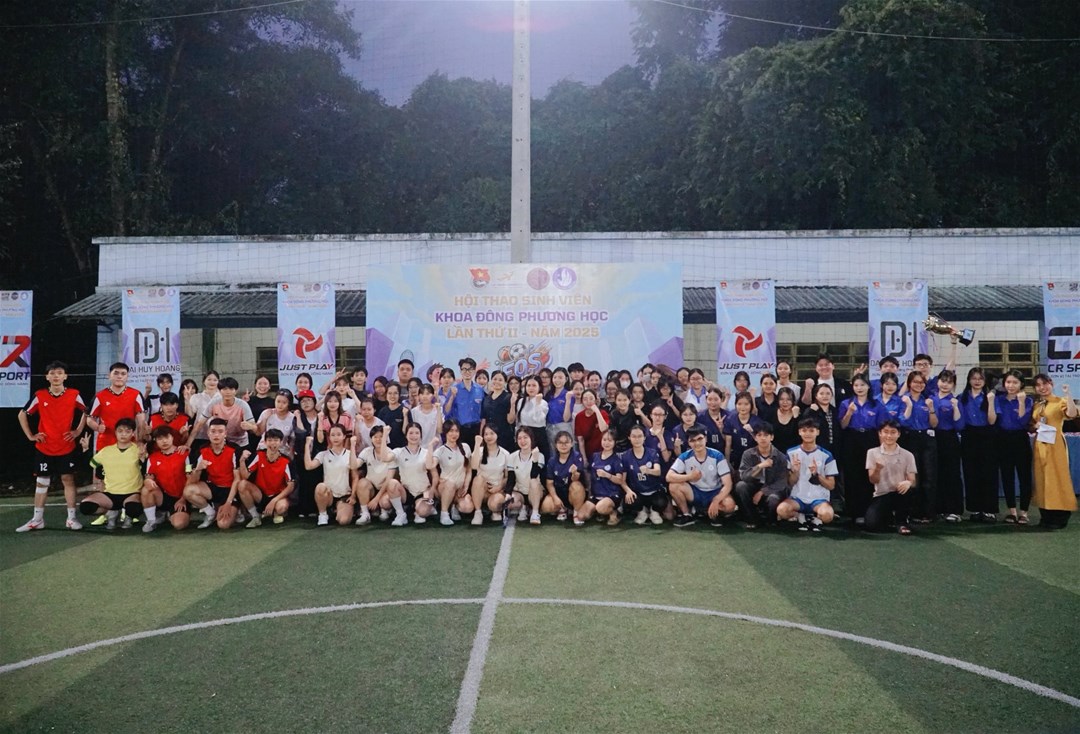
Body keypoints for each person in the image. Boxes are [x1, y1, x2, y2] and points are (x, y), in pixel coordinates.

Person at [16, 361, 87, 532]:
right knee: (42, 482)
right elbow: (22, 414)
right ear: (47, 377)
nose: (56, 376)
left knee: (68, 480)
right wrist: (31, 436)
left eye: (59, 373)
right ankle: (37, 519)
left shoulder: (74, 394)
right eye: (52, 373)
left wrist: (78, 431)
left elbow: (87, 412)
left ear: (65, 376)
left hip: (66, 446)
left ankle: (71, 519)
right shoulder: (40, 395)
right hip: (45, 447)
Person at [80, 417, 145, 530]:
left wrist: (143, 459)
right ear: (115, 433)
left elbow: (147, 470)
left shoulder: (139, 450)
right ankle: (111, 512)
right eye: (120, 431)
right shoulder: (106, 451)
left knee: (134, 509)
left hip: (131, 493)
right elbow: (90, 465)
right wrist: (85, 449)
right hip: (110, 494)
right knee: (85, 507)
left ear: (133, 433)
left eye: (127, 431)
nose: (123, 434)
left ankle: (129, 516)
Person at [1031, 375, 1077, 530]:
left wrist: (1068, 395)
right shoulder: (1037, 405)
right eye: (1038, 385)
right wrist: (1035, 426)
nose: (1042, 387)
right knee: (1042, 479)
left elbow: (1072, 414)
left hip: (1055, 445)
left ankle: (1061, 515)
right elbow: (1032, 423)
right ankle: (1046, 515)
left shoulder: (1060, 401)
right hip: (1040, 445)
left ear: (1051, 384)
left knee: (1057, 478)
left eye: (1045, 383)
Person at [777, 417, 838, 532]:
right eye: (804, 430)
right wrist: (795, 471)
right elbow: (790, 482)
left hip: (819, 499)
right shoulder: (791, 453)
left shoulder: (826, 455)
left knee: (827, 516)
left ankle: (816, 517)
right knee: (782, 510)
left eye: (811, 430)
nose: (807, 434)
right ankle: (800, 516)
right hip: (797, 498)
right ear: (799, 432)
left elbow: (831, 485)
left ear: (817, 432)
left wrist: (817, 475)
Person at [667, 425, 734, 528]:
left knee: (729, 505)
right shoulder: (685, 456)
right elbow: (669, 477)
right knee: (673, 486)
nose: (697, 443)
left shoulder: (717, 456)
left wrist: (716, 500)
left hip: (714, 491)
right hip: (695, 492)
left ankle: (713, 513)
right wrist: (690, 477)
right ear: (689, 443)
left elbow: (728, 484)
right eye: (693, 440)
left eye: (700, 439)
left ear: (705, 439)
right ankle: (687, 514)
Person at [183, 418, 241, 530]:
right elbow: (193, 480)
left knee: (223, 525)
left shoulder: (234, 450)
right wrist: (198, 469)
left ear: (225, 433)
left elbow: (237, 479)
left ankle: (236, 509)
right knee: (188, 491)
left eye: (220, 431)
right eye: (213, 431)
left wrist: (228, 502)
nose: (216, 435)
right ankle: (210, 513)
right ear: (208, 433)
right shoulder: (201, 450)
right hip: (211, 488)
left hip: (229, 490)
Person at [864, 419, 918, 535]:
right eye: (886, 432)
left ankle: (902, 522)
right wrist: (878, 468)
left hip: (900, 493)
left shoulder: (908, 455)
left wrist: (908, 482)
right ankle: (889, 517)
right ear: (880, 433)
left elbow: (913, 481)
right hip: (882, 494)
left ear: (899, 434)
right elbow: (873, 480)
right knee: (871, 524)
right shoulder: (872, 453)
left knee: (909, 490)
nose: (889, 436)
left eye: (893, 432)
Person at [839, 374, 881, 524]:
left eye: (862, 385)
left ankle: (868, 512)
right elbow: (843, 425)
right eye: (856, 385)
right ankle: (853, 512)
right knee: (852, 475)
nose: (859, 388)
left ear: (868, 386)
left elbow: (882, 427)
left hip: (870, 438)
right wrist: (849, 412)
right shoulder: (846, 403)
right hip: (852, 439)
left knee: (868, 475)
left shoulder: (876, 404)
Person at [958, 367, 999, 522]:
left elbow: (992, 421)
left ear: (985, 381)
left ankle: (989, 510)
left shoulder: (990, 397)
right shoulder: (961, 397)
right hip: (968, 436)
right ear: (969, 380)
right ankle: (974, 509)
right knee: (970, 472)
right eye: (974, 378)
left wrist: (991, 401)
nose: (977, 381)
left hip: (987, 435)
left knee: (989, 473)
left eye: (980, 378)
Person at [898, 371, 938, 523]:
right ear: (909, 383)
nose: (919, 385)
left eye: (921, 382)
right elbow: (903, 421)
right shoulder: (903, 400)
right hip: (910, 439)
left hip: (927, 439)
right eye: (915, 382)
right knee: (913, 477)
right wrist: (909, 405)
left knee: (929, 476)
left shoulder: (927, 401)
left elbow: (934, 424)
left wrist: (931, 408)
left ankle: (928, 513)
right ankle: (913, 512)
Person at [734, 423, 789, 528]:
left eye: (766, 435)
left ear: (772, 437)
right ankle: (752, 518)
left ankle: (771, 520)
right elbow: (744, 476)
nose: (763, 438)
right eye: (759, 435)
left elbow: (781, 482)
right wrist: (760, 466)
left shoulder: (780, 457)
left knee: (773, 498)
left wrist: (762, 492)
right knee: (741, 486)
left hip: (772, 487)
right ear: (755, 438)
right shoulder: (748, 454)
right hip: (754, 484)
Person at [996, 370, 1033, 525]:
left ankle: (1024, 512)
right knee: (1007, 476)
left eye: (1015, 382)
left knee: (1025, 477)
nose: (1011, 385)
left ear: (1021, 384)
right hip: (1003, 440)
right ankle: (1012, 511)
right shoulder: (999, 400)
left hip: (1021, 439)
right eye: (1008, 382)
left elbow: (1023, 422)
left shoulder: (1028, 400)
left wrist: (1022, 402)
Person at [238, 428, 294, 526]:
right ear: (265, 442)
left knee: (281, 508)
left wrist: (274, 501)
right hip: (260, 494)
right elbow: (245, 476)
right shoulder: (259, 455)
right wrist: (242, 461)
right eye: (270, 440)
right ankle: (255, 516)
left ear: (281, 442)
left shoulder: (286, 461)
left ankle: (275, 512)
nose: (272, 443)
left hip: (278, 495)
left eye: (276, 440)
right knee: (242, 484)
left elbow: (290, 486)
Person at [87, 362, 146, 453]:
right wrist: (97, 427)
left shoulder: (136, 394)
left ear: (127, 377)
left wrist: (141, 441)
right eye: (116, 373)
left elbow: (141, 422)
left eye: (123, 374)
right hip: (105, 445)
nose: (119, 376)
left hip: (129, 444)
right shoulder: (100, 396)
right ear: (109, 376)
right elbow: (90, 419)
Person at [140, 426, 190, 532]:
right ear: (155, 441)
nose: (164, 441)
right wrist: (147, 480)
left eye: (167, 437)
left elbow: (191, 479)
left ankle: (170, 515)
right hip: (163, 496)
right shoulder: (153, 457)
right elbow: (149, 476)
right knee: (146, 489)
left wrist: (183, 499)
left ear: (172, 437)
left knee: (179, 524)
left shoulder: (184, 454)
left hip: (182, 497)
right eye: (160, 439)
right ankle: (151, 521)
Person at [304, 426, 357, 526]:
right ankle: (323, 514)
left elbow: (355, 477)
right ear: (329, 437)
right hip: (329, 495)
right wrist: (307, 446)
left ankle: (336, 511)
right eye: (332, 435)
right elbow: (308, 466)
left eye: (338, 434)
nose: (335, 438)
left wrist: (353, 495)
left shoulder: (350, 454)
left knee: (344, 521)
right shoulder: (323, 454)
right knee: (320, 487)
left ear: (344, 436)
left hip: (344, 495)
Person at [186, 376, 256, 451]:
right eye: (224, 389)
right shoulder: (214, 403)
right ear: (219, 391)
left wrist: (250, 426)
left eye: (231, 389)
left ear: (236, 391)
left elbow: (255, 428)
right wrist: (187, 445)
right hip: (220, 443)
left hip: (240, 443)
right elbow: (199, 424)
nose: (228, 392)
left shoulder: (243, 405)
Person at [932, 370, 965, 523]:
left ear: (953, 385)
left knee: (952, 474)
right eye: (943, 381)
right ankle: (938, 509)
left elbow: (960, 425)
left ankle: (954, 510)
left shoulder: (955, 401)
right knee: (935, 474)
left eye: (949, 382)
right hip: (932, 439)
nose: (945, 385)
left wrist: (956, 408)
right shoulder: (930, 399)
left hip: (949, 438)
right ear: (937, 381)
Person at [357, 425, 407, 527]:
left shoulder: (391, 454)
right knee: (362, 483)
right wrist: (353, 445)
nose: (378, 439)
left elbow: (389, 480)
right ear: (371, 439)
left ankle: (387, 509)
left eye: (381, 436)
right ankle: (365, 513)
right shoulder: (367, 451)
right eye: (375, 437)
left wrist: (376, 499)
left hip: (386, 489)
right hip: (372, 488)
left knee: (385, 503)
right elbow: (355, 465)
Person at [578, 430, 628, 526]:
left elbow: (620, 480)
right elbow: (589, 474)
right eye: (604, 440)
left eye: (610, 440)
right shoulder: (595, 456)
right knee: (581, 516)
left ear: (615, 442)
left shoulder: (616, 459)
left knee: (601, 507)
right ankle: (600, 513)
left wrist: (607, 475)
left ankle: (613, 512)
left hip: (611, 495)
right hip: (596, 495)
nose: (606, 443)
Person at [622, 424, 668, 525]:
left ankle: (654, 511)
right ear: (629, 437)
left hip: (654, 491)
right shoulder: (625, 456)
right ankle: (641, 512)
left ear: (644, 437)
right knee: (630, 499)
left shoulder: (652, 453)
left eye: (640, 436)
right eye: (634, 436)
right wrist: (628, 491)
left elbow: (658, 471)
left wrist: (648, 470)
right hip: (638, 492)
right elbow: (622, 480)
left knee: (662, 502)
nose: (637, 439)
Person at [394, 423, 439, 524]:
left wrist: (432, 490)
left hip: (423, 491)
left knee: (422, 512)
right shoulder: (399, 451)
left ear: (421, 435)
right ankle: (401, 514)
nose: (414, 436)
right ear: (406, 435)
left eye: (417, 433)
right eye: (411, 433)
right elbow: (385, 457)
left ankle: (423, 508)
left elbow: (435, 475)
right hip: (406, 491)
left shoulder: (426, 452)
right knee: (392, 483)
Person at [433, 420, 474, 525]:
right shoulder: (440, 450)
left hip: (459, 488)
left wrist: (466, 486)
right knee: (450, 484)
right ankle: (444, 513)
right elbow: (431, 466)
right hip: (445, 486)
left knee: (467, 507)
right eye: (451, 431)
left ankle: (454, 505)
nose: (454, 434)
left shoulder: (465, 447)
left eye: (456, 431)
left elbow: (469, 470)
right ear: (445, 432)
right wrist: (430, 446)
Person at [469, 425, 510, 525]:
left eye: (492, 433)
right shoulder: (480, 451)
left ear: (497, 435)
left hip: (497, 489)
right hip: (481, 489)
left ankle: (495, 511)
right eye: (486, 434)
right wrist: (477, 445)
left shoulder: (505, 454)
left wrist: (499, 486)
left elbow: (507, 477)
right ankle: (478, 512)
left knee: (495, 504)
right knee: (478, 479)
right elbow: (473, 466)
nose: (489, 436)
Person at [543, 430, 587, 522]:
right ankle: (562, 509)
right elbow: (549, 483)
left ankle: (576, 512)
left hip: (573, 492)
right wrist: (555, 498)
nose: (563, 445)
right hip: (559, 492)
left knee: (576, 486)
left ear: (571, 444)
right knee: (546, 507)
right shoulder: (552, 461)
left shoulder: (577, 456)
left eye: (566, 442)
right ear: (555, 445)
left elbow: (576, 479)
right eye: (560, 443)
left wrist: (574, 473)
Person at [506, 426, 544, 524]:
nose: (522, 441)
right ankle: (523, 507)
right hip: (520, 492)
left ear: (531, 438)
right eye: (519, 438)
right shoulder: (512, 456)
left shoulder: (539, 455)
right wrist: (508, 494)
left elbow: (533, 475)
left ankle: (535, 512)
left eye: (525, 437)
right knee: (509, 503)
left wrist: (535, 460)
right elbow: (511, 479)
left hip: (534, 492)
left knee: (533, 481)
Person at [723, 391, 764, 474]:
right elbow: (728, 444)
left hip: (753, 458)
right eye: (739, 404)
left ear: (751, 405)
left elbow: (762, 442)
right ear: (735, 405)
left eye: (746, 404)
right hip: (736, 457)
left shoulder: (757, 421)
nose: (743, 407)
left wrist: (752, 432)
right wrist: (727, 462)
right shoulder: (730, 419)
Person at [449, 357, 485, 446]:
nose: (467, 372)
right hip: (460, 430)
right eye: (464, 369)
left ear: (474, 371)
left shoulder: (480, 390)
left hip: (476, 429)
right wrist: (452, 397)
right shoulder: (455, 389)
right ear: (460, 371)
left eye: (470, 369)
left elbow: (483, 412)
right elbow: (447, 411)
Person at [254, 390, 296, 457]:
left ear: (289, 403)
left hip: (282, 452)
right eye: (278, 401)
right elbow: (258, 433)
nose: (280, 405)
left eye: (284, 402)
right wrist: (265, 419)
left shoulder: (292, 418)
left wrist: (291, 455)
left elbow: (292, 441)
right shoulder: (267, 412)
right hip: (264, 449)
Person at [516, 376, 550, 458]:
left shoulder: (543, 402)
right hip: (524, 434)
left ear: (539, 387)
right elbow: (518, 421)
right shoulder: (521, 401)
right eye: (528, 385)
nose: (531, 388)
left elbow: (539, 420)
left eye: (534, 385)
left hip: (538, 435)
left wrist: (538, 404)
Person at [480, 370, 514, 450]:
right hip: (489, 437)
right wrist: (481, 436)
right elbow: (483, 420)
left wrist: (513, 404)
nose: (497, 382)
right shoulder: (486, 399)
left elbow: (511, 420)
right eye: (495, 379)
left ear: (505, 383)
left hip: (504, 436)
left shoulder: (509, 397)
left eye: (500, 380)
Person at [574, 388, 609, 461]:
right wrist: (584, 458)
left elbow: (603, 429)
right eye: (585, 399)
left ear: (596, 400)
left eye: (591, 398)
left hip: (603, 452)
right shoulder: (579, 416)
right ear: (582, 401)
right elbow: (580, 440)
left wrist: (597, 411)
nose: (588, 401)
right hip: (588, 452)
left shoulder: (603, 413)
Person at [545, 367, 575, 452]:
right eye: (555, 377)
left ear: (566, 379)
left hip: (564, 428)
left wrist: (568, 400)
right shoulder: (549, 395)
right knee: (553, 453)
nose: (557, 380)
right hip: (550, 429)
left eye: (560, 377)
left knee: (565, 452)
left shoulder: (569, 395)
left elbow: (566, 418)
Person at [376, 382, 407, 448]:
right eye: (390, 393)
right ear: (386, 395)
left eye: (395, 393)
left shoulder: (405, 411)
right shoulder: (382, 411)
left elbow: (406, 432)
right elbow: (377, 431)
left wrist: (405, 416)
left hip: (401, 449)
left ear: (399, 395)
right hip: (385, 448)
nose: (392, 396)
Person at [771, 387, 801, 454]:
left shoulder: (798, 415)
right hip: (775, 454)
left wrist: (796, 418)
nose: (785, 402)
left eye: (788, 399)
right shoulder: (771, 413)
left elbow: (799, 436)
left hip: (794, 453)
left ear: (793, 400)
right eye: (781, 399)